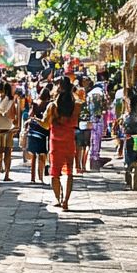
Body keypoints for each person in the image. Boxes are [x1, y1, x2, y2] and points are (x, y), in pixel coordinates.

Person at [43, 76, 80, 210]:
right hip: (69, 141)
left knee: (55, 173)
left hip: (55, 142)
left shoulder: (53, 106)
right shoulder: (76, 105)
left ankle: (58, 199)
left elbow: (46, 125)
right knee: (69, 172)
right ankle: (66, 201)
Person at [25, 82, 52, 183]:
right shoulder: (48, 104)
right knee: (42, 155)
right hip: (43, 131)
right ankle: (40, 178)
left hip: (33, 129)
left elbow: (30, 115)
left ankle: (32, 178)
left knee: (33, 156)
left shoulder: (35, 103)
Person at [0, 80, 17, 182]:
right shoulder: (10, 100)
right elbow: (12, 115)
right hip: (6, 126)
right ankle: (6, 174)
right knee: (7, 152)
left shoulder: (3, 99)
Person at [87, 76, 108, 167]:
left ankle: (91, 157)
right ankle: (95, 157)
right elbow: (104, 107)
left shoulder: (89, 94)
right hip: (98, 119)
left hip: (90, 119)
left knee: (91, 139)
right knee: (97, 138)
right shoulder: (101, 93)